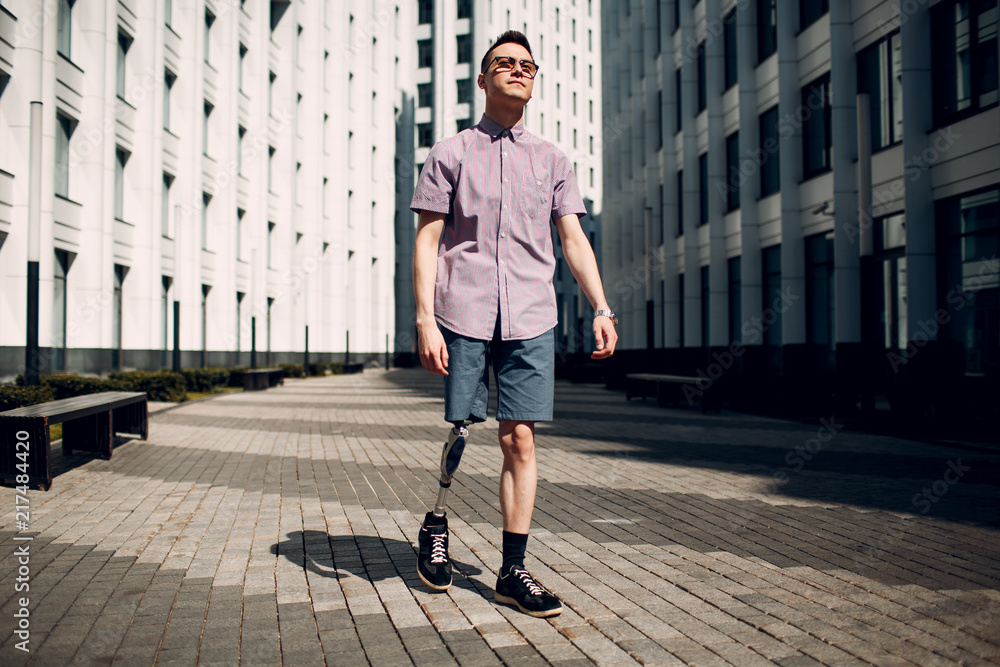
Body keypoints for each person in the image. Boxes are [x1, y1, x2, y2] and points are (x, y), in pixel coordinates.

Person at [410, 30, 618, 618]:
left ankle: (512, 569)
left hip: (531, 314)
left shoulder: (552, 158)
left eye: (527, 65)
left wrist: (601, 307)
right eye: (504, 63)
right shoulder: (449, 154)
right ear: (483, 79)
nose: (517, 70)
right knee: (462, 428)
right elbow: (427, 240)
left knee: (520, 437)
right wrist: (425, 319)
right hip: (465, 311)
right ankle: (436, 522)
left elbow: (573, 238)